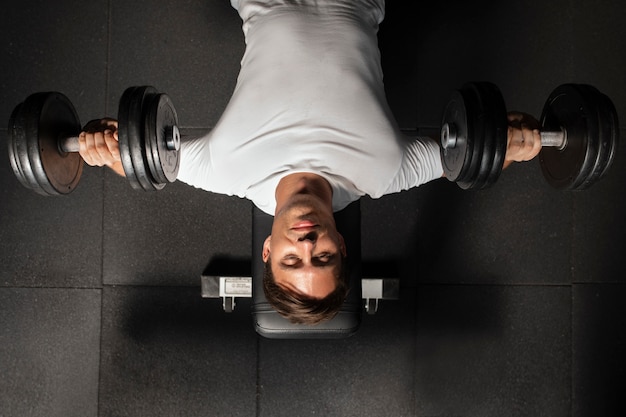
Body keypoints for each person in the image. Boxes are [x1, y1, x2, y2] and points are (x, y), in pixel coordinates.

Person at [77, 0, 542, 325]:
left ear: (266, 253)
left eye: (290, 259)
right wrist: (514, 140)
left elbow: (143, 159)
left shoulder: (224, 172)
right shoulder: (384, 173)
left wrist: (102, 146)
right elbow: (470, 156)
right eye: (321, 257)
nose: (306, 243)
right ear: (341, 244)